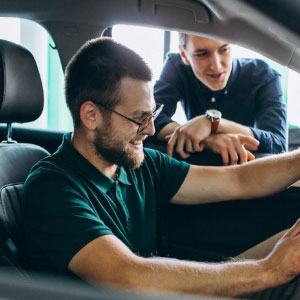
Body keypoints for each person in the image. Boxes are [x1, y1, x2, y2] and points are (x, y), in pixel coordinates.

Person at [23, 37, 300, 299]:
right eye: (138, 118)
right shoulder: (51, 187)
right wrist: (269, 271)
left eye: (152, 114)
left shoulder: (138, 165)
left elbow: (238, 181)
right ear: (91, 116)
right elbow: (128, 277)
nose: (151, 129)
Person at [154, 33, 288, 165]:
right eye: (202, 54)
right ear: (184, 55)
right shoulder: (176, 66)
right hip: (196, 166)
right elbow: (150, 119)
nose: (216, 66)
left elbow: (278, 145)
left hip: (246, 169)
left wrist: (213, 123)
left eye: (224, 50)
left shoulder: (264, 76)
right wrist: (209, 140)